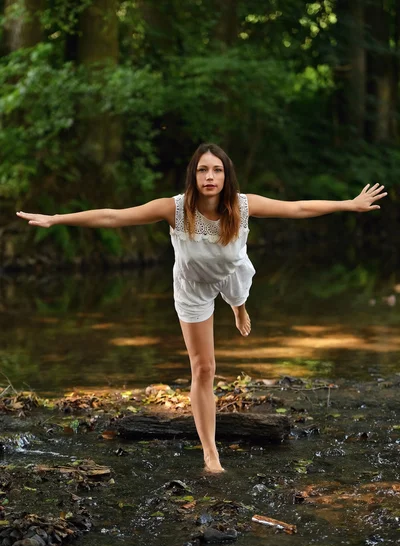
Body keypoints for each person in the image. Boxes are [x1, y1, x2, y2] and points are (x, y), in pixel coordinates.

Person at [17, 142, 386, 473]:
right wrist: (57, 218)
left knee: (237, 290)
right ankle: (211, 453)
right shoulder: (174, 210)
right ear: (193, 175)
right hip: (192, 286)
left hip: (230, 270)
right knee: (204, 368)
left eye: (217, 169)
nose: (210, 176)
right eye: (203, 169)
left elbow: (298, 207)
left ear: (227, 176)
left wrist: (348, 204)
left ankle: (238, 307)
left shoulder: (243, 206)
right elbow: (114, 216)